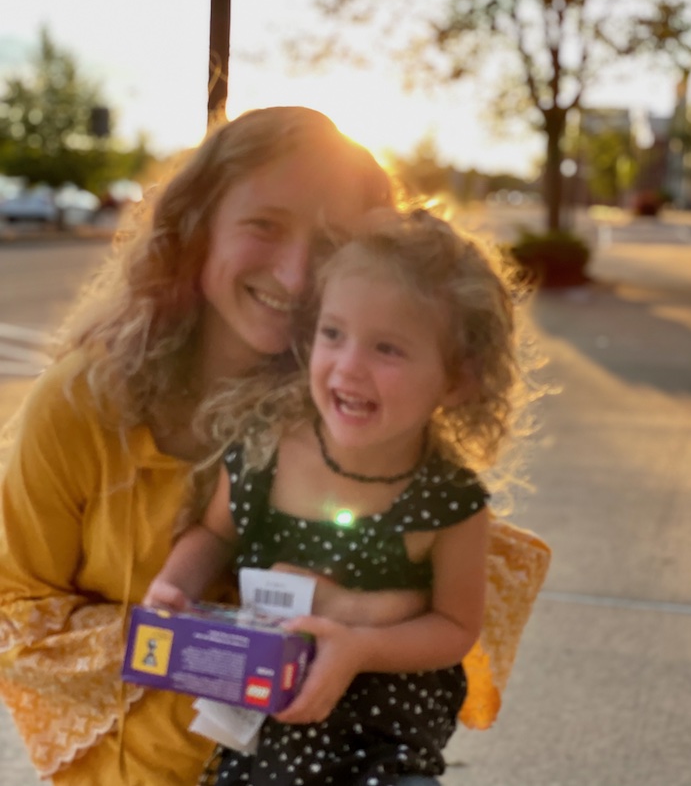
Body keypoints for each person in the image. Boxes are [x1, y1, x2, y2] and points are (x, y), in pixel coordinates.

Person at [0, 106, 415, 786]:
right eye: (265, 225)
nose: (297, 273)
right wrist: (194, 645)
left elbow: (440, 604)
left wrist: (360, 628)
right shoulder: (84, 401)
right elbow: (16, 613)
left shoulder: (366, 415)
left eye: (335, 241)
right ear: (197, 227)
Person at [145, 207, 534, 786]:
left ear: (457, 380)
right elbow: (216, 533)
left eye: (388, 349)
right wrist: (175, 586)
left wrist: (358, 647)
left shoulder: (450, 502)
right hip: (264, 713)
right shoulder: (264, 452)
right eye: (333, 334)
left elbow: (455, 628)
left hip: (385, 732)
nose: (348, 367)